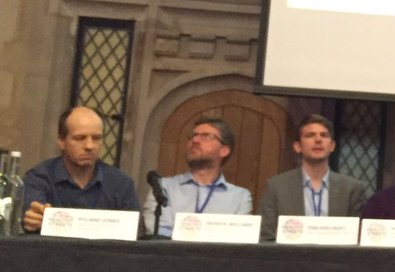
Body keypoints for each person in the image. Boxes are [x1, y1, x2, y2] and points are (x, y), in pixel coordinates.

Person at [21, 106, 140, 234]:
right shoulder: (39, 178)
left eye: (96, 138)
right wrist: (34, 219)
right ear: (61, 141)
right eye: (80, 138)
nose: (89, 146)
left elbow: (133, 234)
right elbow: (32, 216)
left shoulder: (121, 183)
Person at [259, 114, 369, 241]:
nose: (318, 140)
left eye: (324, 135)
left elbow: (358, 239)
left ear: (332, 146)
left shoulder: (352, 188)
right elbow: (266, 237)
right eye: (310, 135)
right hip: (290, 259)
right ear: (297, 146)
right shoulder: (277, 187)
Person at [142, 116, 252, 237]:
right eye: (193, 136)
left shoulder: (240, 197)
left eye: (205, 136)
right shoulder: (163, 187)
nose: (195, 140)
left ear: (224, 150)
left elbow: (237, 239)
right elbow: (158, 232)